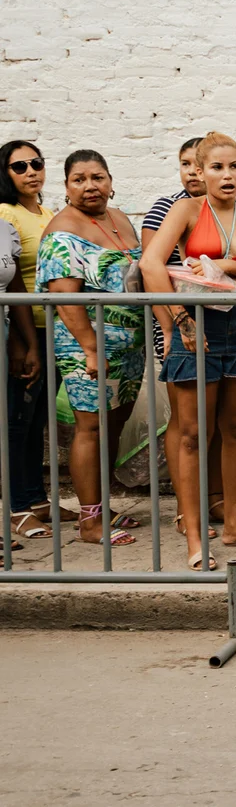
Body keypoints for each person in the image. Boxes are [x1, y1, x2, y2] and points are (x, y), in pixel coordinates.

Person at [140, 132, 236, 568]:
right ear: (199, 172)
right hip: (196, 322)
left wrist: (226, 266)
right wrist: (176, 323)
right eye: (217, 168)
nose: (227, 175)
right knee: (192, 433)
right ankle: (193, 535)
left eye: (234, 166)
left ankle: (235, 525)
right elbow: (151, 263)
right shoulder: (186, 209)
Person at [37, 151, 147, 548]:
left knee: (113, 423)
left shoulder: (119, 218)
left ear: (110, 179)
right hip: (86, 344)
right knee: (90, 426)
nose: (89, 186)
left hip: (129, 344)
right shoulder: (62, 231)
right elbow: (65, 300)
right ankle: (89, 523)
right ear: (66, 187)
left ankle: (102, 506)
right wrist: (91, 349)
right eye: (79, 180)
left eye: (97, 177)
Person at [141, 136, 225, 537]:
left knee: (214, 421)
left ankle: (211, 499)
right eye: (185, 164)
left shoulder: (218, 211)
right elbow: (150, 273)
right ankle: (182, 508)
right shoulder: (167, 208)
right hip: (177, 325)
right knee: (185, 421)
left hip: (218, 323)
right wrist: (171, 326)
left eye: (198, 164)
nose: (192, 172)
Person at [0, 141, 52, 541]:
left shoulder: (45, 212)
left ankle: (37, 499)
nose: (31, 171)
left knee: (38, 420)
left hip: (51, 327)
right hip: (26, 328)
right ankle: (17, 506)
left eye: (36, 163)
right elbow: (14, 278)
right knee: (18, 420)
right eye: (20, 167)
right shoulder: (6, 214)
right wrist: (22, 342)